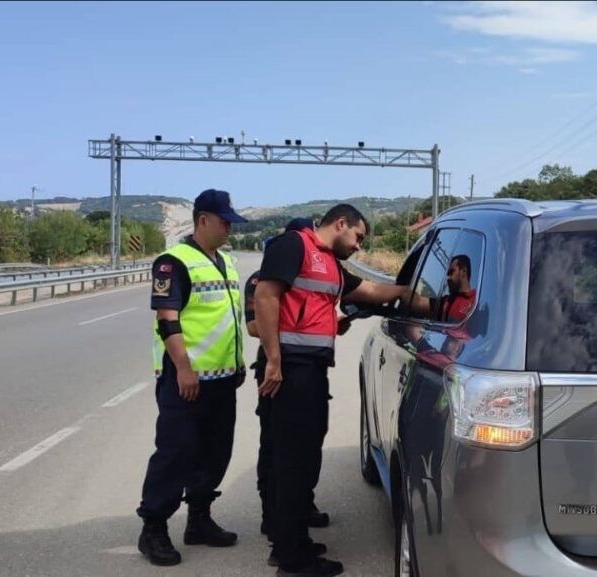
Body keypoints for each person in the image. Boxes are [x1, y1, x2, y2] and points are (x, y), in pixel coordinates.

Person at [254, 204, 405, 577]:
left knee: (300, 460)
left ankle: (291, 543)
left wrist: (407, 291)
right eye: (357, 237)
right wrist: (274, 359)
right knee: (291, 463)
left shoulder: (328, 262)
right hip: (290, 370)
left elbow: (368, 289)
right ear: (341, 224)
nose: (358, 247)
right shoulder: (294, 246)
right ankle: (292, 560)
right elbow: (265, 296)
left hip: (308, 370)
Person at [137, 189, 249, 567]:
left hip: (221, 379)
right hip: (186, 380)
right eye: (224, 221)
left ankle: (199, 519)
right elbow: (168, 320)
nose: (229, 227)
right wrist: (183, 368)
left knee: (215, 453)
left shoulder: (227, 262)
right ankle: (153, 528)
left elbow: (227, 319)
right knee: (176, 453)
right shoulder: (174, 262)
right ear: (202, 220)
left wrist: (236, 364)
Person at [244, 218, 331, 544]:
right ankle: (273, 518)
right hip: (275, 370)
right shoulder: (260, 279)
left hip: (303, 369)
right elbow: (255, 326)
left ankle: (300, 507)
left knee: (306, 448)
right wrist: (291, 329)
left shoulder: (308, 275)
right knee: (276, 448)